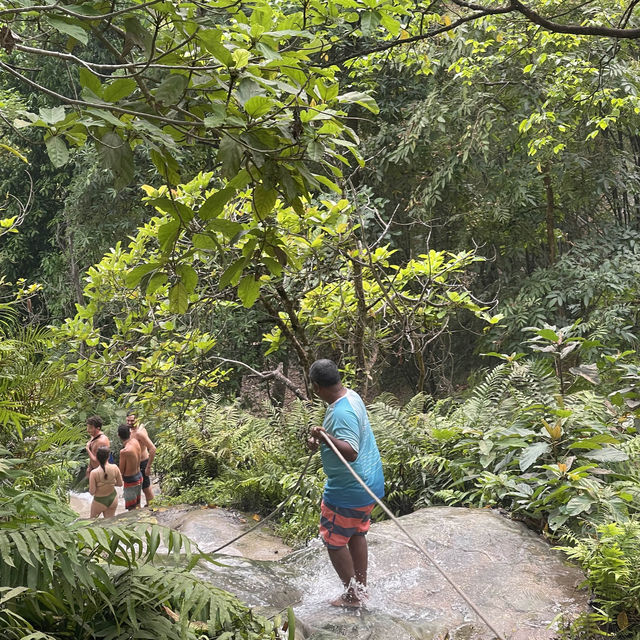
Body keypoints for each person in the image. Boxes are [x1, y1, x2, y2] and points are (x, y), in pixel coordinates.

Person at [307, 359, 385, 608]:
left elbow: (350, 451)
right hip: (368, 484)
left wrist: (326, 437)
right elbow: (342, 438)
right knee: (355, 533)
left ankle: (352, 596)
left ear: (316, 387)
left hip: (349, 489)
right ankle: (361, 589)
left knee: (333, 540)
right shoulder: (350, 397)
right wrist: (322, 440)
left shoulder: (341, 411)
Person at [126, 411, 157, 507]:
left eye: (132, 420)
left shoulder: (139, 432)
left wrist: (148, 466)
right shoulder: (131, 430)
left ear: (137, 420)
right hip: (135, 464)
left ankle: (153, 508)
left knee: (146, 488)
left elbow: (152, 448)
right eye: (128, 420)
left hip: (143, 462)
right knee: (137, 488)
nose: (130, 423)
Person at [89, 446, 123, 518]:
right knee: (109, 524)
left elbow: (92, 492)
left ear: (97, 458)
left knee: (91, 523)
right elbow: (120, 484)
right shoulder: (115, 467)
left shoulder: (94, 473)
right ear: (108, 457)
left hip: (99, 501)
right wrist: (110, 483)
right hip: (113, 498)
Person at [118, 423, 142, 510]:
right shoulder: (135, 442)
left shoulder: (124, 451)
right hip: (139, 476)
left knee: (131, 508)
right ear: (130, 433)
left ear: (118, 435)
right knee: (138, 504)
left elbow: (121, 470)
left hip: (130, 481)